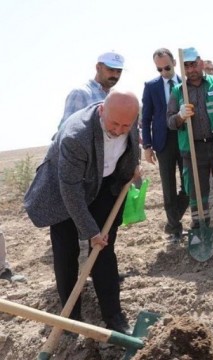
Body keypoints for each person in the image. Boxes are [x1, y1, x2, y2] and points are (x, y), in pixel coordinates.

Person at [24, 91, 141, 335]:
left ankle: (114, 317)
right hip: (64, 192)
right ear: (101, 112)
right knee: (67, 251)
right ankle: (71, 319)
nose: (119, 130)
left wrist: (131, 170)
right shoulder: (76, 136)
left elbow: (130, 149)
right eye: (114, 124)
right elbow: (71, 192)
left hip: (102, 186)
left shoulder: (128, 120)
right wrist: (90, 231)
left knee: (104, 250)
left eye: (125, 125)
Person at [167, 47, 213, 230]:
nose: (191, 69)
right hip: (193, 149)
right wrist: (180, 116)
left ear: (200, 63)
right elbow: (170, 122)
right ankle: (200, 226)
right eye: (186, 66)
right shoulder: (178, 91)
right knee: (196, 190)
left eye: (193, 64)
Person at [141, 48, 189, 244]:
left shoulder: (185, 84)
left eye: (166, 67)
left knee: (189, 184)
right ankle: (175, 229)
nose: (163, 72)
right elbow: (145, 118)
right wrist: (147, 145)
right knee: (168, 186)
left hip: (184, 137)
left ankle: (173, 218)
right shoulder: (151, 86)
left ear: (174, 64)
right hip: (163, 142)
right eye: (159, 69)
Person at [59, 51, 124, 129]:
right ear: (98, 67)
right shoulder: (81, 93)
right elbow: (67, 130)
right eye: (110, 70)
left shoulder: (117, 98)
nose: (115, 75)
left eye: (119, 71)